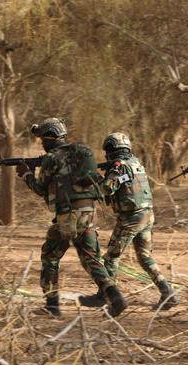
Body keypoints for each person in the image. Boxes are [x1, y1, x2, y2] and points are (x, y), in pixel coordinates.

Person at [16, 118, 127, 318]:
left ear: (51, 137)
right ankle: (115, 297)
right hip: (88, 213)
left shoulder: (52, 158)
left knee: (50, 256)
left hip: (68, 215)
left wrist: (26, 175)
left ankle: (52, 306)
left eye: (43, 139)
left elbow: (41, 189)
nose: (42, 143)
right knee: (92, 259)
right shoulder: (82, 152)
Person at [78, 132, 179, 310]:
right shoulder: (135, 163)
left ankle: (104, 295)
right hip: (147, 214)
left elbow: (107, 189)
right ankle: (167, 291)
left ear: (111, 150)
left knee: (111, 256)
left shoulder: (119, 166)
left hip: (132, 217)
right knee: (144, 256)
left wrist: (95, 178)